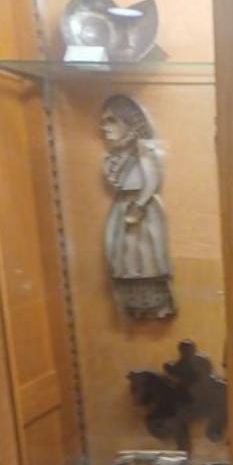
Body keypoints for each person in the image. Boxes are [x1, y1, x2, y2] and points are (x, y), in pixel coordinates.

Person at [101, 93, 176, 319]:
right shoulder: (117, 157)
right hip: (122, 208)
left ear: (128, 122)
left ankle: (157, 306)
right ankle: (134, 307)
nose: (104, 127)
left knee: (145, 260)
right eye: (104, 121)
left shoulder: (144, 151)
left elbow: (152, 179)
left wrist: (139, 206)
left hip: (140, 211)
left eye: (111, 120)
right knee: (124, 261)